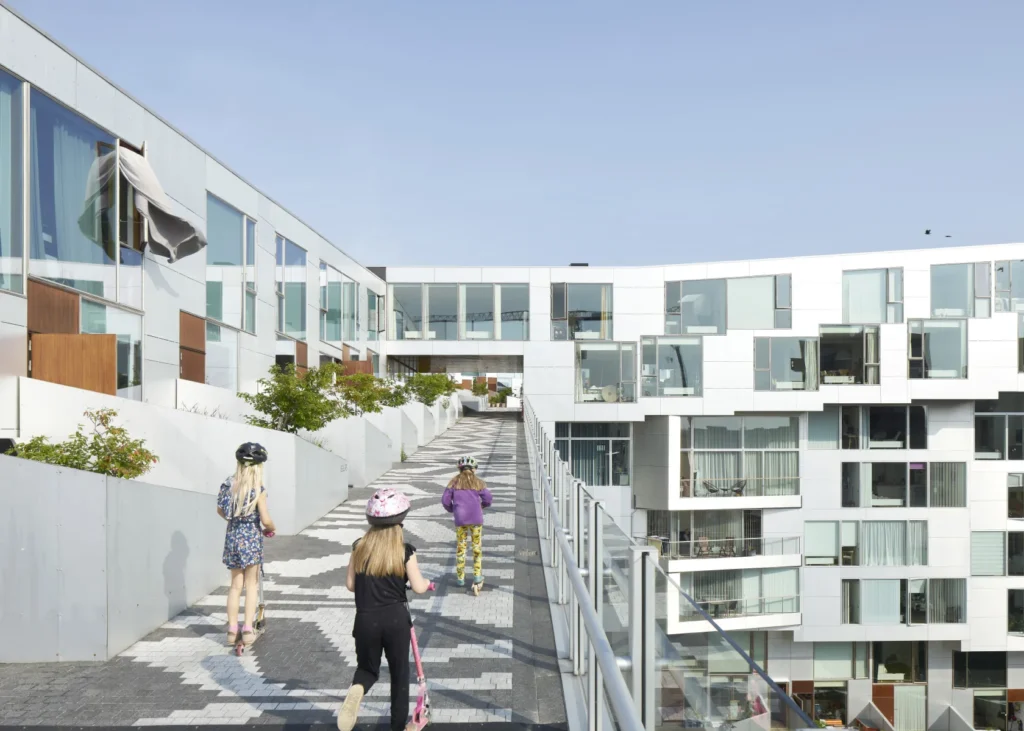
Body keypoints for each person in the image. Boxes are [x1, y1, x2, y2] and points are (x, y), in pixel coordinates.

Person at [339, 488, 433, 731]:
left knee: (367, 669)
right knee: (399, 674)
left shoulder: (358, 547)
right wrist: (427, 584)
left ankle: (357, 690)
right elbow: (419, 587)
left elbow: (350, 585)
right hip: (395, 620)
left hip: (365, 619)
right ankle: (398, 726)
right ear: (399, 522)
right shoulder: (405, 551)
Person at [216, 442, 276, 647]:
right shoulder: (258, 489)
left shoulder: (227, 484)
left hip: (232, 536)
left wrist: (236, 521)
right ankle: (248, 630)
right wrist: (270, 528)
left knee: (235, 586)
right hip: (251, 537)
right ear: (258, 467)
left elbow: (220, 511)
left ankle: (232, 631)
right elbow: (266, 519)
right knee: (252, 585)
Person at [441, 456, 493, 588]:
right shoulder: (478, 482)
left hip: (460, 520)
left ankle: (460, 578)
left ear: (459, 469)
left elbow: (445, 501)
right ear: (474, 469)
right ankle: (477, 575)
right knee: (476, 547)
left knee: (461, 547)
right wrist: (482, 506)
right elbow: (488, 498)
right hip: (476, 520)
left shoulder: (453, 482)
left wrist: (453, 509)